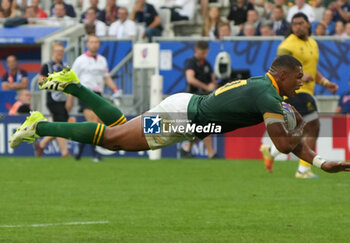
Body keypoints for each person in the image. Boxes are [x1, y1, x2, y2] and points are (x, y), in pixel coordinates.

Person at [10, 55, 350, 175]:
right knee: (113, 139)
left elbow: (283, 139)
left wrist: (318, 162)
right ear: (285, 73)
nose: (303, 79)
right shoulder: (268, 94)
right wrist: (303, 129)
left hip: (185, 108)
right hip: (181, 119)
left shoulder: (267, 88)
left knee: (117, 127)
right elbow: (280, 141)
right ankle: (40, 126)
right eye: (300, 74)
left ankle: (72, 85)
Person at [260, 13, 339, 178]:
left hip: (307, 91)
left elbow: (312, 70)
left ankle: (271, 151)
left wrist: (325, 83)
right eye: (294, 24)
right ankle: (303, 169)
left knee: (303, 129)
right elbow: (278, 70)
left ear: (308, 24)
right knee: (313, 126)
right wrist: (301, 78)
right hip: (294, 91)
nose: (298, 26)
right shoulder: (287, 45)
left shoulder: (313, 43)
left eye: (301, 23)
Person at [70, 34, 121, 162]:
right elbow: (72, 79)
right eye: (92, 42)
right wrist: (70, 98)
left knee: (97, 124)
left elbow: (106, 77)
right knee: (93, 122)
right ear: (87, 44)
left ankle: (79, 152)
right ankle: (95, 155)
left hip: (98, 94)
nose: (94, 44)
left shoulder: (102, 60)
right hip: (85, 93)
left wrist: (115, 89)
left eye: (96, 42)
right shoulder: (80, 60)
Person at [33, 42, 71, 158]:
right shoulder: (47, 66)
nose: (60, 53)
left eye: (61, 51)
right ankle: (64, 152)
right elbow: (40, 82)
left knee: (59, 125)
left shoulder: (65, 66)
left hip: (64, 99)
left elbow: (70, 84)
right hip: (53, 99)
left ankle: (42, 144)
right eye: (57, 51)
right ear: (53, 52)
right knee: (61, 124)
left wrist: (70, 99)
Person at [182, 41, 218, 158]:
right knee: (205, 126)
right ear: (196, 50)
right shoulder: (190, 62)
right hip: (193, 99)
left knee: (203, 128)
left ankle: (186, 148)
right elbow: (190, 79)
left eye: (206, 52)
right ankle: (211, 154)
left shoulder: (207, 64)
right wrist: (206, 87)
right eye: (203, 52)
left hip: (206, 99)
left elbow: (213, 80)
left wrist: (215, 85)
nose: (205, 55)